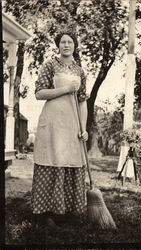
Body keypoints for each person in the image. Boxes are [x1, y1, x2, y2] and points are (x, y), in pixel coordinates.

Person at [31, 31, 88, 230]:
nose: (66, 45)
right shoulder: (50, 65)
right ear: (58, 45)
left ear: (74, 45)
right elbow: (39, 93)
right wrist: (65, 89)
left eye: (69, 42)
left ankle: (68, 211)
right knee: (52, 159)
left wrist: (84, 128)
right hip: (53, 122)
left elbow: (82, 102)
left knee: (70, 161)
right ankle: (47, 213)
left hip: (72, 123)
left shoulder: (80, 71)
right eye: (62, 42)